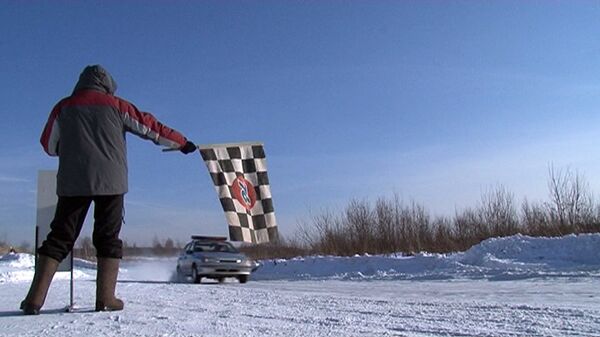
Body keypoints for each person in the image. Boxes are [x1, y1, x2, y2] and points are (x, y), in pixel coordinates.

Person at [20, 65, 197, 315]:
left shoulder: (63, 107)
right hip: (111, 182)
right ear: (107, 84)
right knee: (107, 237)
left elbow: (48, 145)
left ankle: (33, 300)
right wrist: (181, 142)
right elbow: (150, 127)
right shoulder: (117, 105)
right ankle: (105, 298)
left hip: (73, 181)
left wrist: (70, 150)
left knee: (59, 237)